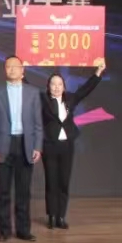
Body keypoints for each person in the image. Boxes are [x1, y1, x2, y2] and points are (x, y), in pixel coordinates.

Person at [42, 60, 106, 230]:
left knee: (64, 181)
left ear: (64, 86)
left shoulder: (70, 98)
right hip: (49, 145)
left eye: (59, 84)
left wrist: (97, 73)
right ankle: (51, 216)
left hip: (67, 146)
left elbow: (85, 89)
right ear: (48, 87)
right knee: (51, 182)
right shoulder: (43, 100)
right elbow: (28, 88)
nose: (56, 87)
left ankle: (61, 217)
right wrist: (21, 75)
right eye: (53, 84)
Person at [0, 55, 44, 242]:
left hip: (25, 144)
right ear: (5, 70)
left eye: (15, 66)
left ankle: (23, 230)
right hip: (3, 145)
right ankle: (4, 231)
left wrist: (37, 146)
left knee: (23, 191)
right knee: (3, 191)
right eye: (8, 66)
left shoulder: (33, 92)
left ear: (22, 70)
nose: (12, 69)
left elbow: (38, 123)